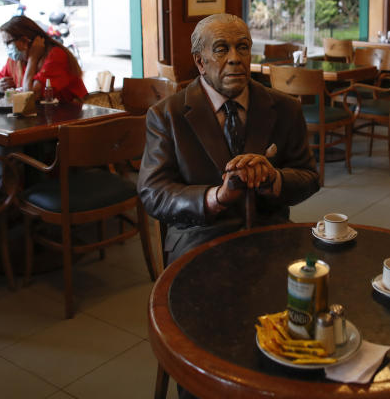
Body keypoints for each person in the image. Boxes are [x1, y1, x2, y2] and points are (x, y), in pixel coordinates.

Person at [137, 14, 320, 266]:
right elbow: (153, 193)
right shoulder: (167, 115)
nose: (235, 58)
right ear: (200, 62)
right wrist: (215, 197)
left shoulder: (286, 108)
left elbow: (309, 177)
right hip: (198, 235)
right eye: (222, 49)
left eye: (243, 47)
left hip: (270, 232)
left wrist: (273, 179)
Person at [0, 15, 86, 102]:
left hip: (71, 114)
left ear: (25, 41)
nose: (7, 48)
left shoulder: (55, 55)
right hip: (44, 115)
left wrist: (32, 59)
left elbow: (31, 96)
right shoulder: (16, 59)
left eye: (8, 43)